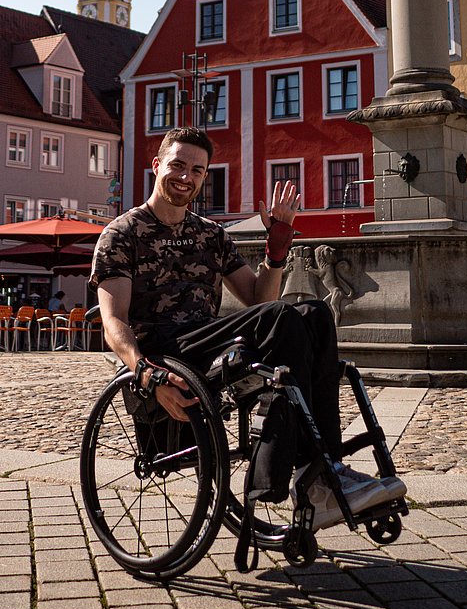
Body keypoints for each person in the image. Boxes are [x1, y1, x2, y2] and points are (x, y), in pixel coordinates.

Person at [91, 127, 405, 531]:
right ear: (157, 166)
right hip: (166, 349)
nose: (186, 177)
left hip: (207, 341)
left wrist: (276, 249)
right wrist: (145, 372)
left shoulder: (210, 234)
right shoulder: (122, 234)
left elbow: (258, 299)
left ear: (205, 176)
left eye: (197, 170)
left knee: (313, 314)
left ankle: (322, 470)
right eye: (177, 166)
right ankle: (309, 480)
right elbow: (113, 322)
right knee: (284, 316)